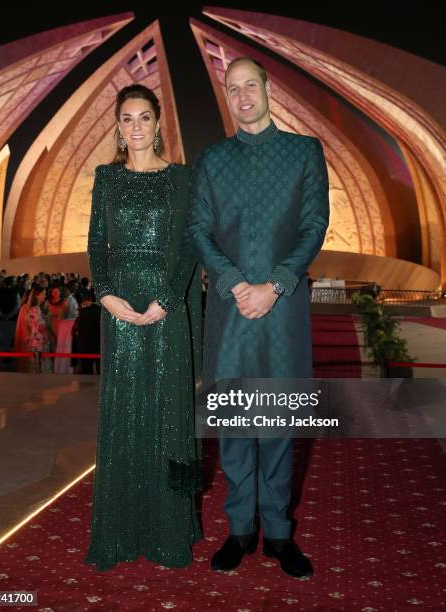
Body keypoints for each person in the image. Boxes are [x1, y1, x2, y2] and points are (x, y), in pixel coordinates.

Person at [189, 57, 329, 577]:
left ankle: (278, 532)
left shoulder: (303, 152)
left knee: (276, 424)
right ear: (227, 97)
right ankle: (239, 530)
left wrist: (274, 285)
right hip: (228, 313)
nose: (243, 95)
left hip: (282, 311)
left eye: (251, 85)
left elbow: (314, 225)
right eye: (234, 88)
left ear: (268, 89)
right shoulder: (212, 161)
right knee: (232, 424)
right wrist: (232, 284)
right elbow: (200, 230)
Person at [84, 84, 202, 571]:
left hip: (164, 312)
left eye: (144, 118)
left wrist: (168, 300)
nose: (135, 127)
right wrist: (106, 295)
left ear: (158, 125)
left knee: (169, 414)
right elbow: (96, 244)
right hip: (120, 312)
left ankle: (170, 530)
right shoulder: (105, 179)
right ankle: (120, 530)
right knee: (124, 414)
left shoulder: (182, 179)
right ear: (118, 126)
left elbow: (192, 246)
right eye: (127, 118)